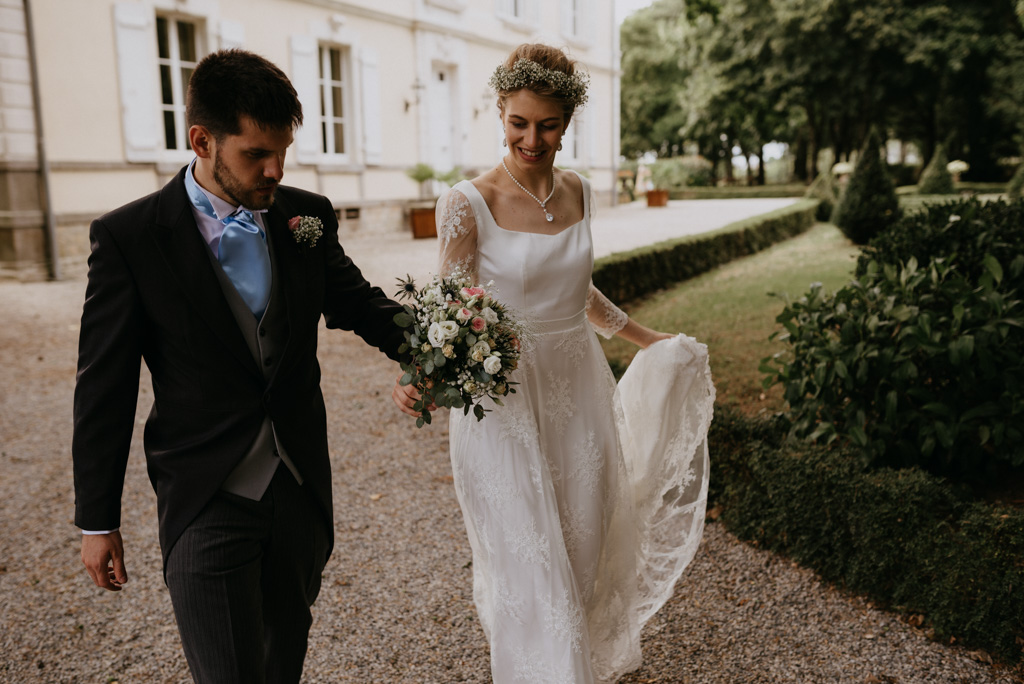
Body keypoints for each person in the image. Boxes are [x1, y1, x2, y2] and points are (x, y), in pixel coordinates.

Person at [73, 49, 417, 683]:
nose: (274, 169)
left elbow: (359, 304)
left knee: (280, 666)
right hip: (205, 494)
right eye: (255, 154)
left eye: (283, 151)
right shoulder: (129, 238)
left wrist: (443, 349)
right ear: (201, 140)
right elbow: (105, 386)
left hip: (297, 492)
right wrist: (99, 519)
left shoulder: (305, 214)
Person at [407, 43, 716, 682]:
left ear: (567, 121)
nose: (531, 137)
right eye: (519, 122)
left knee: (579, 549)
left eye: (547, 124)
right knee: (530, 560)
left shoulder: (580, 190)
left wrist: (649, 339)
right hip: (503, 403)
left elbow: (582, 295)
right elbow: (449, 306)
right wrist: (422, 379)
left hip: (579, 390)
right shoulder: (469, 202)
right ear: (500, 111)